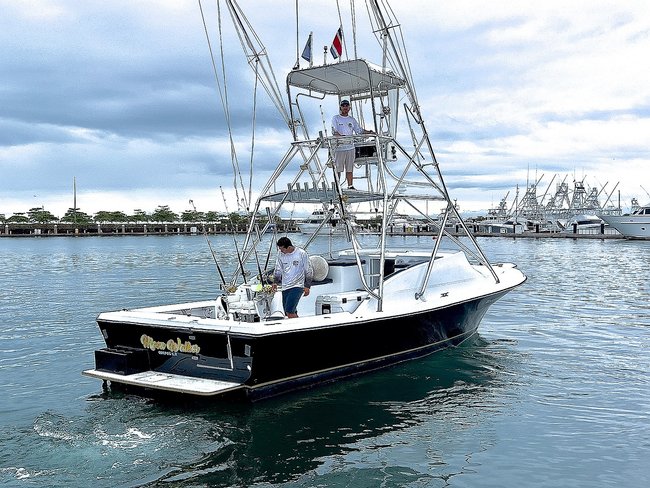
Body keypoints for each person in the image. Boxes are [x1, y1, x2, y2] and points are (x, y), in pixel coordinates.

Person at [331, 99, 373, 190]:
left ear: (349, 107)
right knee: (338, 168)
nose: (345, 107)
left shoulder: (352, 120)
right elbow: (334, 131)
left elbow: (359, 130)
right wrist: (342, 137)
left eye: (347, 105)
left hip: (350, 147)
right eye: (343, 106)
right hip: (339, 148)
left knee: (350, 168)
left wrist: (370, 132)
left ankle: (350, 186)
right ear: (340, 107)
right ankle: (337, 186)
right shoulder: (336, 118)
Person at [271, 236, 313, 318]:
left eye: (282, 249)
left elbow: (308, 270)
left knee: (289, 311)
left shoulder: (301, 253)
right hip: (285, 286)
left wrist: (307, 286)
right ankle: (298, 326)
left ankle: (299, 328)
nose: (281, 251)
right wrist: (275, 282)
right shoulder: (280, 254)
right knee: (288, 312)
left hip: (297, 286)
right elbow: (278, 269)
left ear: (289, 247)